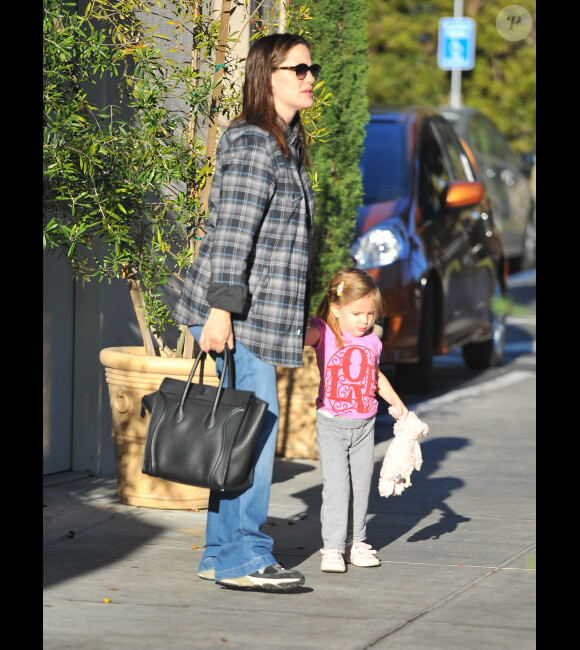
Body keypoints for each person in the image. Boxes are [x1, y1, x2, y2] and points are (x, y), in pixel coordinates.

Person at [172, 33, 320, 592]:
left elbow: (280, 245)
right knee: (254, 434)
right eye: (298, 68)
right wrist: (220, 312)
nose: (309, 77)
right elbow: (232, 235)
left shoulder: (285, 141)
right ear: (269, 75)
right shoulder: (255, 141)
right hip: (236, 312)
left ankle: (222, 553)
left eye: (312, 68)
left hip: (254, 312)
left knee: (240, 433)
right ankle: (243, 557)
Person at [304, 267, 409, 573]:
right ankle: (333, 548)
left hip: (365, 426)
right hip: (332, 425)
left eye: (371, 314)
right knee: (337, 488)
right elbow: (296, 337)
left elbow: (374, 376)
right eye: (357, 313)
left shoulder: (373, 341)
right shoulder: (323, 331)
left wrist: (397, 403)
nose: (365, 320)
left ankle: (358, 542)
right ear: (335, 310)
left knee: (362, 486)